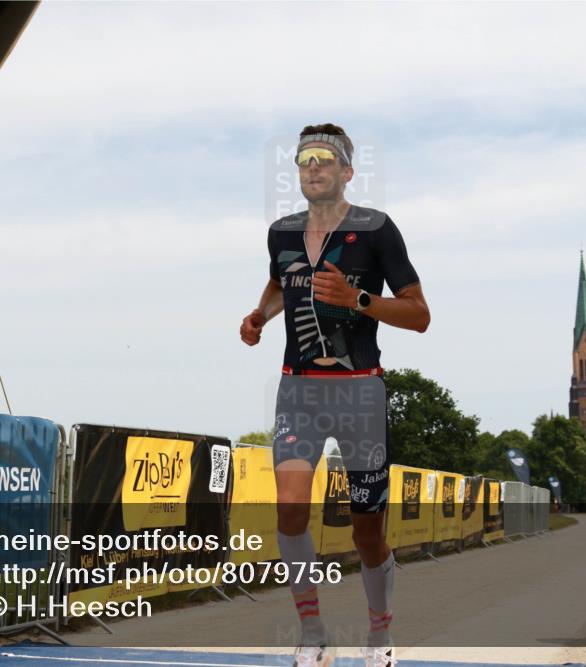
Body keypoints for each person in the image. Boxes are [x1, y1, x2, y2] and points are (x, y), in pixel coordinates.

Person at [240, 123, 430, 667]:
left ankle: (379, 632)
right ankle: (312, 634)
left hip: (359, 395)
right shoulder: (281, 232)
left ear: (347, 171)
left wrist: (359, 297)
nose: (314, 166)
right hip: (298, 391)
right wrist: (259, 315)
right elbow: (280, 282)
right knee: (291, 507)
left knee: (367, 529)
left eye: (325, 158)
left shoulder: (377, 230)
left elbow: (419, 315)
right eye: (304, 160)